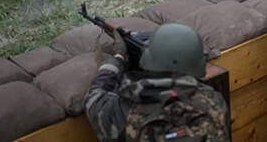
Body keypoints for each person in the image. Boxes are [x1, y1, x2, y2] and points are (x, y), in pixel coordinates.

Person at [84, 23, 230, 142]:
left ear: (146, 60)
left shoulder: (123, 110)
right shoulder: (214, 101)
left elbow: (93, 97)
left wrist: (117, 60)